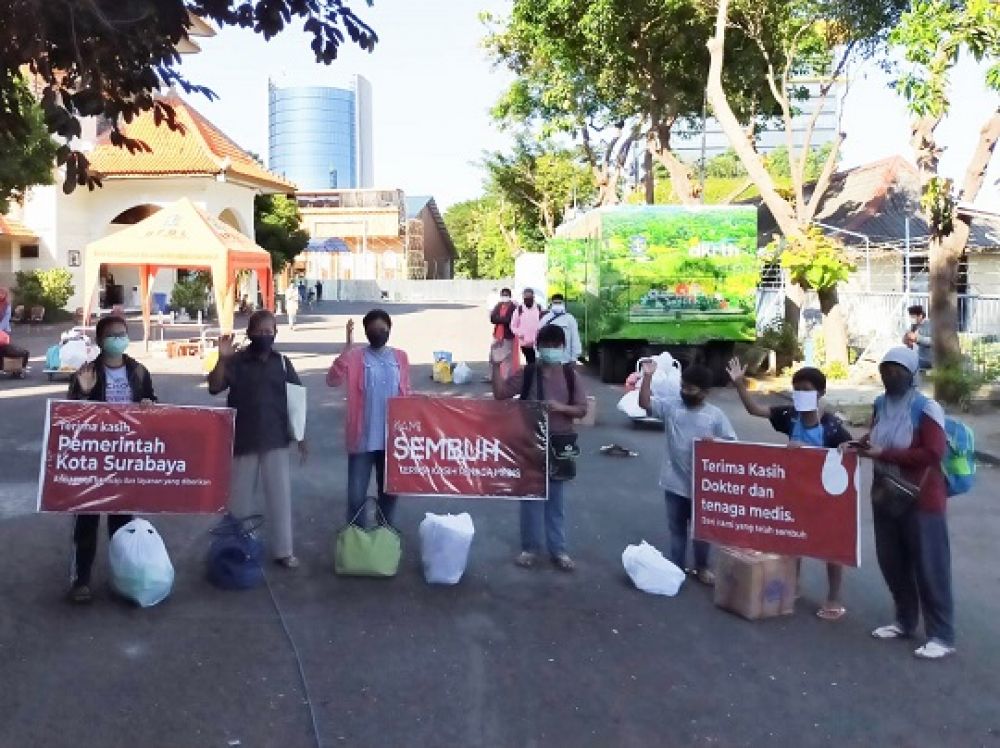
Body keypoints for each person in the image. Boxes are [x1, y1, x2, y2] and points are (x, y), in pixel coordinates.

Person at [846, 346, 954, 659]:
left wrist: (886, 454)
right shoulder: (880, 403)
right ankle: (905, 621)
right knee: (892, 561)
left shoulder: (925, 408)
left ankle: (942, 635)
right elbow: (876, 436)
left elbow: (933, 453)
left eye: (897, 371)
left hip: (921, 498)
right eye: (885, 370)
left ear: (911, 374)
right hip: (885, 495)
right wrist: (858, 445)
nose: (890, 375)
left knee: (930, 566)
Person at [727, 359, 853, 620]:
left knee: (831, 548)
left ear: (820, 393)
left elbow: (850, 452)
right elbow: (755, 410)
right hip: (796, 491)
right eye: (796, 389)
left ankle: (833, 598)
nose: (800, 394)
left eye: (806, 390)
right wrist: (739, 384)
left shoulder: (831, 426)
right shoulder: (789, 416)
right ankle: (793, 585)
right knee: (793, 540)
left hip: (825, 497)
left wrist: (833, 451)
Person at [66, 315, 156, 603]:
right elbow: (69, 415)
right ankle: (81, 580)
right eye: (112, 335)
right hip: (93, 457)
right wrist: (84, 392)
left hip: (125, 458)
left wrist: (148, 405)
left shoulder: (139, 372)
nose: (119, 339)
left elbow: (154, 406)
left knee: (123, 523)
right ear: (100, 340)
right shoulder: (87, 372)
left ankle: (125, 579)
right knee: (86, 520)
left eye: (122, 333)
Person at [208, 310, 306, 569]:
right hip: (243, 438)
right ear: (249, 333)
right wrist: (222, 358)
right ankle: (239, 548)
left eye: (269, 331)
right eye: (259, 331)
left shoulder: (282, 363)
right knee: (240, 501)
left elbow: (297, 400)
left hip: (275, 438)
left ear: (276, 333)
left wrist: (301, 436)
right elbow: (214, 386)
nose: (264, 335)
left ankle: (284, 551)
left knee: (280, 499)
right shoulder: (236, 361)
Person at [492, 324, 587, 571]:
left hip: (559, 445)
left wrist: (560, 407)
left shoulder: (570, 376)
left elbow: (582, 409)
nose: (550, 350)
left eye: (555, 346)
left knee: (555, 499)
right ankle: (530, 549)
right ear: (538, 346)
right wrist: (495, 366)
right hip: (531, 442)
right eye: (546, 345)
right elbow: (500, 393)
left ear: (562, 347)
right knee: (530, 497)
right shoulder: (528, 373)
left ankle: (559, 550)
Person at [638, 361, 736, 584]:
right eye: (683, 386)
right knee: (677, 529)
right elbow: (645, 403)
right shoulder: (672, 407)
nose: (684, 391)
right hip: (674, 483)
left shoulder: (715, 416)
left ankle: (702, 567)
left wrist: (716, 442)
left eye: (690, 389)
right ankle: (676, 567)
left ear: (705, 392)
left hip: (703, 486)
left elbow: (732, 444)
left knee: (701, 531)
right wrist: (647, 377)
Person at [326, 310, 411, 528]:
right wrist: (346, 349)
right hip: (362, 438)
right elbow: (332, 380)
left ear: (390, 330)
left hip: (392, 439)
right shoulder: (356, 357)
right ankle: (357, 537)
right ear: (366, 332)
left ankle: (385, 535)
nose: (378, 333)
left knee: (389, 493)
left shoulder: (400, 357)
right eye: (373, 329)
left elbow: (406, 393)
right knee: (356, 496)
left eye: (383, 329)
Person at [539, 293, 582, 364]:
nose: (557, 305)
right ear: (551, 303)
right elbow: (539, 338)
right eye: (555, 303)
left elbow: (575, 338)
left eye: (559, 303)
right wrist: (539, 356)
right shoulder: (545, 319)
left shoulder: (570, 318)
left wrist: (574, 358)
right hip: (548, 359)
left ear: (563, 303)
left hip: (566, 359)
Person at [489, 287, 519, 380]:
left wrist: (499, 319)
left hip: (507, 335)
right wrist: (502, 319)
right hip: (497, 335)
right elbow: (492, 318)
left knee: (507, 358)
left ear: (510, 296)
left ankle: (506, 378)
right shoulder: (498, 305)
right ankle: (493, 376)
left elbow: (510, 320)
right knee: (493, 357)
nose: (504, 297)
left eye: (506, 295)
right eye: (503, 295)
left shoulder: (513, 307)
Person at [511, 287, 544, 364]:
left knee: (539, 362)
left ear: (533, 297)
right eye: (526, 298)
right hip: (525, 342)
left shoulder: (539, 308)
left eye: (530, 297)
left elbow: (544, 322)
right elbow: (513, 326)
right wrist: (520, 333)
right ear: (523, 298)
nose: (528, 299)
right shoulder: (519, 309)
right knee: (530, 362)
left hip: (538, 341)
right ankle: (530, 371)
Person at [903, 305, 932, 370]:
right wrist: (906, 339)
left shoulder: (931, 324)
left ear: (920, 316)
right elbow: (907, 341)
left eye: (913, 317)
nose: (911, 319)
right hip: (918, 359)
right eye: (910, 317)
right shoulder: (913, 326)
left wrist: (917, 338)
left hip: (930, 360)